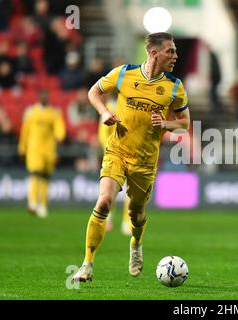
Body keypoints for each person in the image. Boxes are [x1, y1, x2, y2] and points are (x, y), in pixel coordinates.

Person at [73, 32, 190, 282]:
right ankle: (87, 264)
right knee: (104, 200)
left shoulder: (175, 87)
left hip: (145, 161)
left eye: (176, 51)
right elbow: (94, 92)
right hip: (117, 150)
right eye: (170, 51)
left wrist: (167, 124)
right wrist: (104, 111)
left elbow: (185, 123)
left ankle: (136, 244)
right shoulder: (124, 73)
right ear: (153, 53)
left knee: (136, 214)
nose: (175, 56)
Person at [18, 89, 66, 218]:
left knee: (46, 177)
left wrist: (60, 136)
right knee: (35, 173)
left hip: (49, 149)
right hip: (34, 149)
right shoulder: (31, 112)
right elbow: (25, 131)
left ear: (48, 97)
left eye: (46, 96)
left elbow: (59, 128)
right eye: (42, 95)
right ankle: (32, 202)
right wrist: (22, 148)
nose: (44, 98)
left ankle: (43, 205)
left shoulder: (54, 113)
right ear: (39, 97)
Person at [97, 97, 131, 235]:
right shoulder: (109, 107)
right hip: (114, 154)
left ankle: (127, 223)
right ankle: (108, 219)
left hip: (130, 154)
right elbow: (103, 133)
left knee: (130, 191)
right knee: (111, 189)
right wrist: (108, 149)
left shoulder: (130, 104)